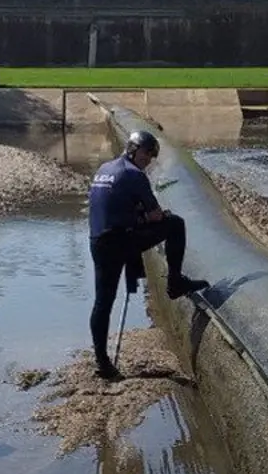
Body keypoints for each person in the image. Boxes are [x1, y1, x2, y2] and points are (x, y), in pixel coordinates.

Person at [87, 131, 209, 381]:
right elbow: (155, 214)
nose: (149, 159)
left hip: (98, 241)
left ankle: (102, 362)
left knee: (103, 302)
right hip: (120, 240)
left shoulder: (105, 168)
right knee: (175, 224)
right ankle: (175, 282)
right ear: (134, 150)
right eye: (147, 154)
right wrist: (150, 215)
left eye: (153, 156)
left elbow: (111, 206)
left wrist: (138, 216)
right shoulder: (134, 174)